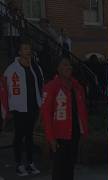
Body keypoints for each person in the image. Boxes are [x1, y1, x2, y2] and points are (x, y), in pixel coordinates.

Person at [41, 56, 89, 180]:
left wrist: (84, 132)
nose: (68, 67)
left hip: (75, 133)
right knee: (58, 170)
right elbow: (46, 114)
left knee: (70, 167)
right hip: (59, 136)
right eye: (64, 65)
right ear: (58, 68)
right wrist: (51, 138)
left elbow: (82, 111)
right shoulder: (51, 87)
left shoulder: (78, 87)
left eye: (69, 65)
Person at [3, 40, 43, 176]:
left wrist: (40, 105)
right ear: (19, 52)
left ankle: (30, 163)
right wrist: (8, 108)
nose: (28, 51)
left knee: (30, 136)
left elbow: (40, 86)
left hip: (33, 106)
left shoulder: (36, 67)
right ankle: (19, 164)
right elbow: (5, 88)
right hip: (19, 108)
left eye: (29, 48)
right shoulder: (12, 69)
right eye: (25, 49)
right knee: (19, 136)